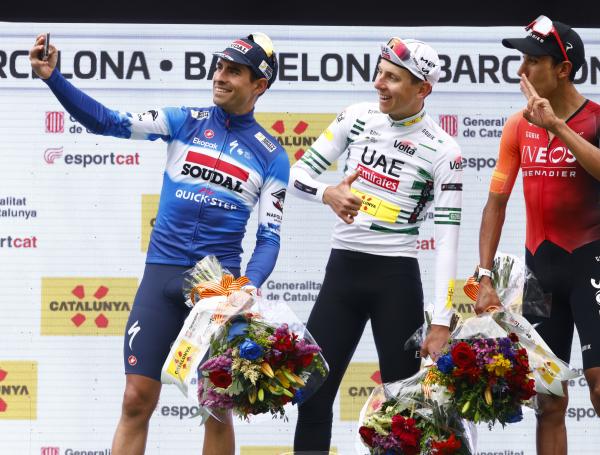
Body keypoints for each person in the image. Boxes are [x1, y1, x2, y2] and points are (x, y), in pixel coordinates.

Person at [29, 32, 289, 455]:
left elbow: (269, 238)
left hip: (217, 285)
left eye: (234, 71)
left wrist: (246, 286)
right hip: (162, 272)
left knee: (216, 406)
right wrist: (52, 78)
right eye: (219, 66)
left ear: (259, 85)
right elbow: (108, 122)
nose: (220, 77)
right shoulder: (184, 119)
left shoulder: (271, 155)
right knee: (135, 399)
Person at [288, 37, 463, 453]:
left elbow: (448, 241)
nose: (378, 84)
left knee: (404, 412)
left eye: (392, 78)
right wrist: (326, 192)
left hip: (396, 280)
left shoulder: (444, 151)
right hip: (342, 275)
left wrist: (441, 320)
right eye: (379, 73)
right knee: (311, 397)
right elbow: (298, 175)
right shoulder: (356, 116)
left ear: (423, 89)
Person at [474, 16, 600, 455]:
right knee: (548, 400)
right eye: (521, 59)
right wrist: (484, 275)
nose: (521, 71)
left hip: (591, 265)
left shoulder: (595, 119)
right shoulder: (516, 126)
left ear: (563, 68)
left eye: (532, 60)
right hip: (540, 273)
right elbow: (495, 204)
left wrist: (558, 128)